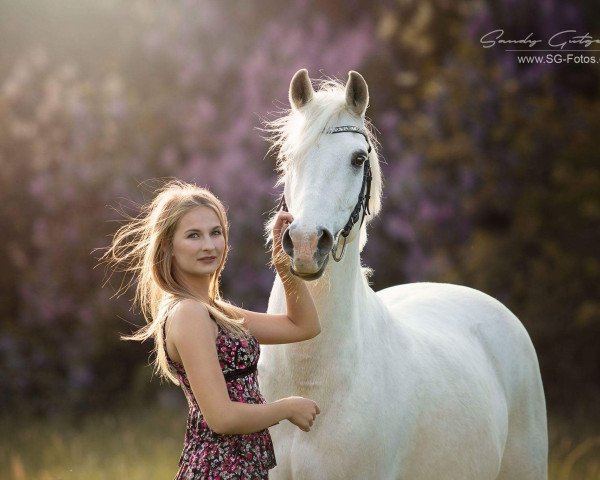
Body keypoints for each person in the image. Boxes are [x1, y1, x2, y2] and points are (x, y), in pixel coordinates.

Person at [103, 179, 321, 479]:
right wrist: (287, 408)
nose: (209, 245)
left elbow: (304, 326)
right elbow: (221, 417)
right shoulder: (188, 313)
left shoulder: (216, 312)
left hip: (243, 468)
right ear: (169, 247)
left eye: (215, 232)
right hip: (217, 470)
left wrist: (284, 265)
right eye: (193, 236)